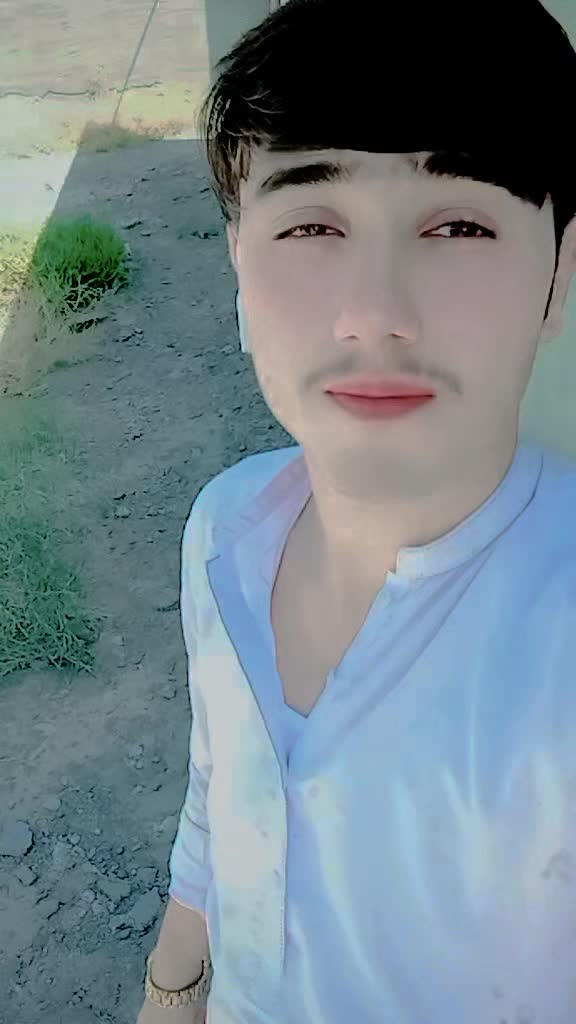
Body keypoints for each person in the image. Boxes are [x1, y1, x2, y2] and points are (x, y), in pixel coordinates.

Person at [138, 0, 576, 1021]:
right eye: (311, 224)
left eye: (460, 224)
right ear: (238, 263)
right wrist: (173, 983)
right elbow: (220, 796)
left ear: (560, 275)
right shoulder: (225, 529)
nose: (375, 312)